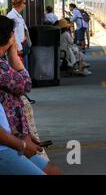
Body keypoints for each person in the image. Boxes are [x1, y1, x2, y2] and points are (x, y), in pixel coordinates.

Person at [0, 16, 61, 175]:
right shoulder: (1, 69)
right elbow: (25, 84)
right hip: (4, 147)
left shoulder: (2, 64)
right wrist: (22, 145)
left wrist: (20, 133)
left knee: (52, 171)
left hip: (10, 138)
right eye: (13, 33)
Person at [7, 0, 31, 67]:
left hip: (22, 46)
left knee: (24, 68)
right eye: (24, 3)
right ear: (20, 4)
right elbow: (13, 34)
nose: (25, 4)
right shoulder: (12, 16)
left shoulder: (18, 15)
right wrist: (18, 48)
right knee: (20, 70)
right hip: (17, 49)